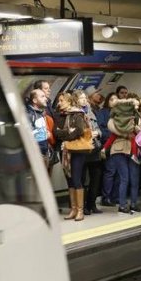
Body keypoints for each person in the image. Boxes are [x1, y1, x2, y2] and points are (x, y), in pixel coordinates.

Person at [53, 92, 90, 222]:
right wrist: (68, 132)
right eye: (59, 100)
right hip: (64, 152)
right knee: (69, 180)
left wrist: (66, 138)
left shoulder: (77, 114)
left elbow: (79, 130)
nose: (59, 103)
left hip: (76, 151)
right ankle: (73, 209)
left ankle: (80, 210)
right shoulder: (59, 116)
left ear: (69, 102)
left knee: (76, 179)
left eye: (62, 100)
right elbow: (56, 132)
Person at [107, 97, 141, 213]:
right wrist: (128, 132)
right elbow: (114, 131)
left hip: (134, 150)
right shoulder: (114, 120)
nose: (136, 108)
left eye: (137, 106)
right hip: (120, 149)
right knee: (125, 178)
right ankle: (122, 205)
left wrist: (138, 129)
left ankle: (133, 203)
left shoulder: (138, 119)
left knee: (134, 178)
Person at [81, 91, 103, 215]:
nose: (84, 100)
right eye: (82, 98)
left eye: (85, 98)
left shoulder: (90, 111)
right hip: (83, 150)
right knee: (83, 179)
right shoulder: (76, 113)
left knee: (96, 178)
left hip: (94, 149)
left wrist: (98, 133)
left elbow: (98, 128)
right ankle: (83, 206)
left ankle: (92, 204)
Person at [99, 93, 119, 206]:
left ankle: (115, 196)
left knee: (119, 173)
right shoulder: (103, 113)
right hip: (109, 144)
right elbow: (102, 128)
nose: (114, 102)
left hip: (121, 145)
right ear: (107, 101)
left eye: (116, 100)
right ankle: (106, 197)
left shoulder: (121, 113)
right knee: (110, 171)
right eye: (112, 99)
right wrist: (113, 135)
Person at [25, 88, 51, 168]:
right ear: (35, 100)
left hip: (44, 152)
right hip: (36, 155)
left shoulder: (40, 113)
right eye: (42, 96)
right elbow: (26, 135)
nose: (45, 99)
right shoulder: (28, 115)